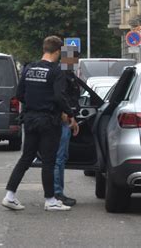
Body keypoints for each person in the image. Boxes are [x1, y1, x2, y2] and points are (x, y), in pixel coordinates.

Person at [2, 36, 75, 211]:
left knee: (26, 158)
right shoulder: (56, 71)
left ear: (44, 49)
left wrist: (33, 101)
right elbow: (59, 96)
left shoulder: (29, 68)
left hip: (30, 119)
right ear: (57, 52)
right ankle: (50, 200)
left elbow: (19, 94)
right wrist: (70, 113)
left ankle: (9, 196)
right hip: (49, 121)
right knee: (49, 161)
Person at [54, 47, 80, 207]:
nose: (74, 62)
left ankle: (57, 192)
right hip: (63, 120)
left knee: (60, 158)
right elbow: (60, 96)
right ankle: (57, 193)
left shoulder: (66, 73)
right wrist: (67, 114)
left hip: (65, 118)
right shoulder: (63, 74)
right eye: (73, 59)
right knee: (59, 158)